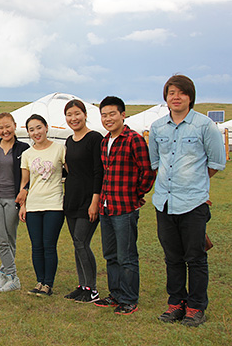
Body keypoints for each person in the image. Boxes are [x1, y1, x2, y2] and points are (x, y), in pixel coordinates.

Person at [149, 75, 226, 327]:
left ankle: (195, 307)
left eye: (181, 92)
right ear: (166, 97)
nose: (176, 97)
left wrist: (195, 184)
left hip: (193, 203)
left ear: (190, 97)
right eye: (171, 92)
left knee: (195, 257)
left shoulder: (204, 126)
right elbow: (156, 163)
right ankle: (176, 304)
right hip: (164, 202)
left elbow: (215, 163)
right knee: (172, 257)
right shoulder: (158, 127)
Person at [93, 96, 155, 315]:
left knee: (126, 255)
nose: (108, 119)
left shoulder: (133, 139)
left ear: (122, 115)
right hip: (106, 207)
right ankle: (115, 294)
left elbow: (147, 171)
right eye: (104, 115)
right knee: (110, 254)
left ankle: (129, 298)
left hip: (125, 207)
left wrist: (136, 194)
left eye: (112, 114)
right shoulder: (104, 141)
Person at [18, 114, 65, 297]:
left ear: (46, 127)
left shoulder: (60, 149)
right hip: (33, 205)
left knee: (49, 245)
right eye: (31, 130)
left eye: (39, 127)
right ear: (28, 133)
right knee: (36, 245)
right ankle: (39, 281)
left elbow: (72, 172)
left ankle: (48, 284)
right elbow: (24, 183)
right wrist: (23, 206)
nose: (36, 132)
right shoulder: (27, 154)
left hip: (54, 204)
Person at [63, 100, 103, 303]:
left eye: (77, 114)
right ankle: (82, 286)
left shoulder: (94, 138)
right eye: (69, 115)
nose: (73, 118)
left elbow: (99, 171)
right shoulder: (69, 141)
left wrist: (95, 200)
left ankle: (92, 289)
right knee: (77, 243)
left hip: (89, 199)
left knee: (81, 241)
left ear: (85, 114)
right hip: (72, 198)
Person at [0, 112, 30, 292]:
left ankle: (7, 275)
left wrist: (24, 191)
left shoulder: (24, 148)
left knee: (9, 239)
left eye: (8, 126)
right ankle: (10, 275)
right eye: (1, 128)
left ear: (14, 125)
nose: (5, 130)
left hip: (13, 198)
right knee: (0, 240)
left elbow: (29, 173)